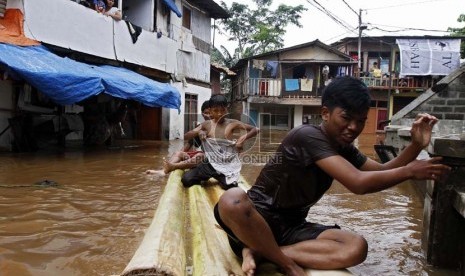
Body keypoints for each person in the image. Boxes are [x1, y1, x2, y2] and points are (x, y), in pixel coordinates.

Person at [213, 76, 451, 276]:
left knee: (356, 246)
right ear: (325, 113)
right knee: (232, 199)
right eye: (346, 118)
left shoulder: (342, 146)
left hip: (292, 228)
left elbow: (380, 171)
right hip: (256, 220)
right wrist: (410, 171)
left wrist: (416, 147)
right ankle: (279, 258)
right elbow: (358, 183)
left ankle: (259, 251)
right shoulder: (306, 135)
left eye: (360, 121)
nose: (353, 127)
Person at [181, 94, 259, 190]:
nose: (219, 114)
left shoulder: (232, 123)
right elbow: (186, 136)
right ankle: (203, 175)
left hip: (226, 164)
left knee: (231, 186)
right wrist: (199, 131)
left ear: (227, 109)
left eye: (222, 110)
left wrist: (242, 139)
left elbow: (255, 129)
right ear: (210, 111)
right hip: (209, 163)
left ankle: (218, 177)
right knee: (186, 180)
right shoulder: (206, 124)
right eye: (216, 111)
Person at [162, 100, 211, 174]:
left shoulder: (218, 127)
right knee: (178, 153)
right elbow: (186, 139)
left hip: (212, 160)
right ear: (202, 114)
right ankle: (164, 171)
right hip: (202, 159)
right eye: (206, 113)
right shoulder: (201, 128)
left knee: (200, 155)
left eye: (210, 113)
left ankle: (174, 166)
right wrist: (180, 155)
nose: (208, 115)